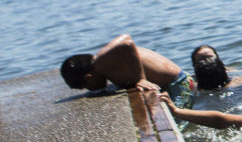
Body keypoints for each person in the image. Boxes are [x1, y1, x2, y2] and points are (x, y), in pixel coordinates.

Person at [60, 34, 198, 109]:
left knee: (180, 126)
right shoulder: (105, 67)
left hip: (180, 84)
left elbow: (126, 42)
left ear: (89, 77)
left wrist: (140, 79)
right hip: (179, 83)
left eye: (86, 86)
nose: (90, 89)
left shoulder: (100, 61)